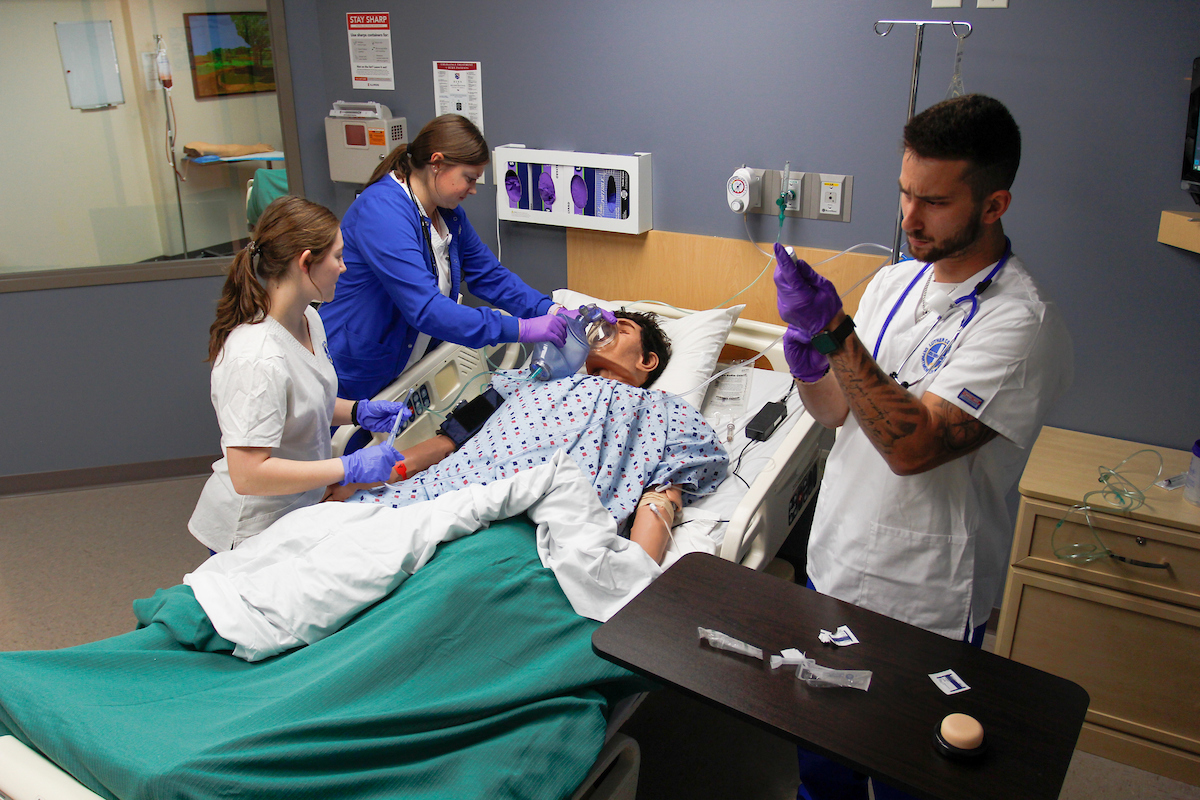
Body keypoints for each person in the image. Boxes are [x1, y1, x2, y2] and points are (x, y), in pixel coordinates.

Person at [774, 95, 1073, 800]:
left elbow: (913, 447)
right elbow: (839, 415)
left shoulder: (1022, 325)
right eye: (905, 192)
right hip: (837, 566)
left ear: (994, 204)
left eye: (934, 202)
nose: (909, 218)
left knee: (912, 774)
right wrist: (809, 363)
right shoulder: (891, 282)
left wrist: (837, 336)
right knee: (822, 764)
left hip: (926, 599)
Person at [344, 310, 728, 564]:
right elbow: (448, 442)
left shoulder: (663, 409)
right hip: (441, 498)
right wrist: (369, 476)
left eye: (620, 329)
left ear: (646, 362)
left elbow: (661, 498)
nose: (603, 330)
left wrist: (637, 579)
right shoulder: (525, 382)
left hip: (528, 529)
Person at [189, 196, 417, 552]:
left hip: (295, 508)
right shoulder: (256, 356)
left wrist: (358, 412)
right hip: (252, 527)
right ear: (306, 262)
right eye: (338, 257)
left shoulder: (308, 319)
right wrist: (347, 467)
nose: (344, 267)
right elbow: (248, 475)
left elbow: (302, 402)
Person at [318, 114, 572, 401]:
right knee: (351, 442)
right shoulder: (382, 212)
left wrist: (549, 310)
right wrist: (521, 329)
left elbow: (489, 276)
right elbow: (426, 310)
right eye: (469, 178)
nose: (473, 189)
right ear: (437, 163)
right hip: (354, 368)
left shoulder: (448, 215)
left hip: (405, 367)